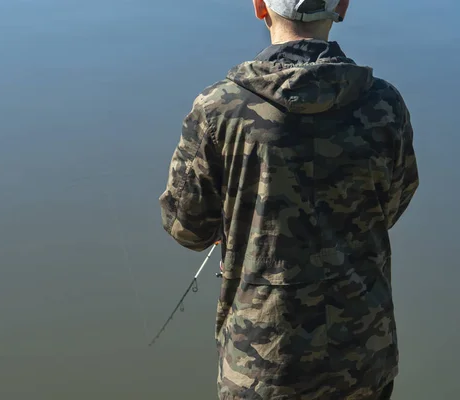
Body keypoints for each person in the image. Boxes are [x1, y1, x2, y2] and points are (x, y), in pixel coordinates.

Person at [158, 0, 419, 399]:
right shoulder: (385, 104)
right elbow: (394, 203)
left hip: (260, 369)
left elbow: (187, 228)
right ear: (342, 6)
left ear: (259, 6)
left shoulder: (217, 109)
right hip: (364, 355)